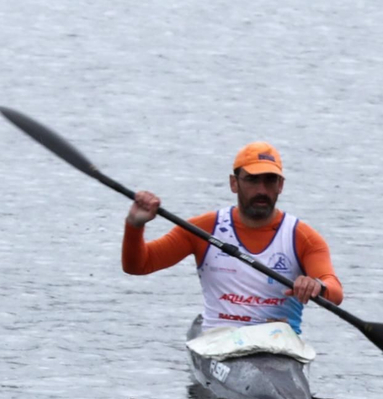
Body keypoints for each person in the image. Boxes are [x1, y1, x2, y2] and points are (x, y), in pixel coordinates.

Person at [121, 142, 343, 334]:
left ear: (281, 186)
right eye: (252, 180)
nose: (262, 190)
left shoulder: (303, 238)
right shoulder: (203, 229)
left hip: (279, 345)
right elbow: (139, 265)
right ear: (234, 183)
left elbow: (335, 290)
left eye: (270, 181)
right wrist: (135, 225)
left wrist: (317, 286)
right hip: (218, 343)